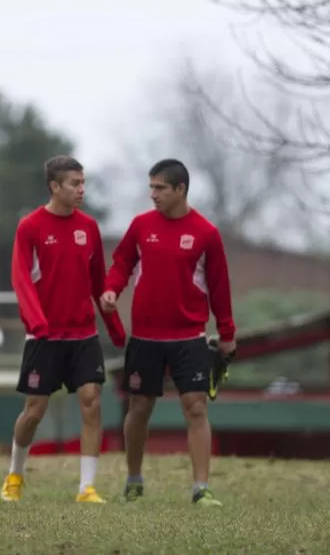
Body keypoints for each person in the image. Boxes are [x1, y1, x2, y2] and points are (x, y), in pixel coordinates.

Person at [100, 158, 236, 507]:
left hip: (189, 338)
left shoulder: (206, 233)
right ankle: (133, 479)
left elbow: (220, 289)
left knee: (195, 408)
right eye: (151, 187)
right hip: (145, 337)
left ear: (180, 189)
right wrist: (112, 290)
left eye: (160, 188)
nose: (153, 194)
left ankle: (200, 488)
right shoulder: (141, 226)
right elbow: (122, 263)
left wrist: (227, 333)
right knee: (140, 407)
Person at [2, 156, 126, 503]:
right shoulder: (30, 227)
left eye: (83, 182)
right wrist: (36, 322)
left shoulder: (89, 227)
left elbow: (99, 282)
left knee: (91, 401)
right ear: (54, 186)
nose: (81, 189)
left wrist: (114, 326)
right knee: (34, 413)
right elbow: (21, 279)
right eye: (74, 183)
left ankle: (86, 488)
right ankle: (14, 475)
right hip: (44, 338)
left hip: (83, 335)